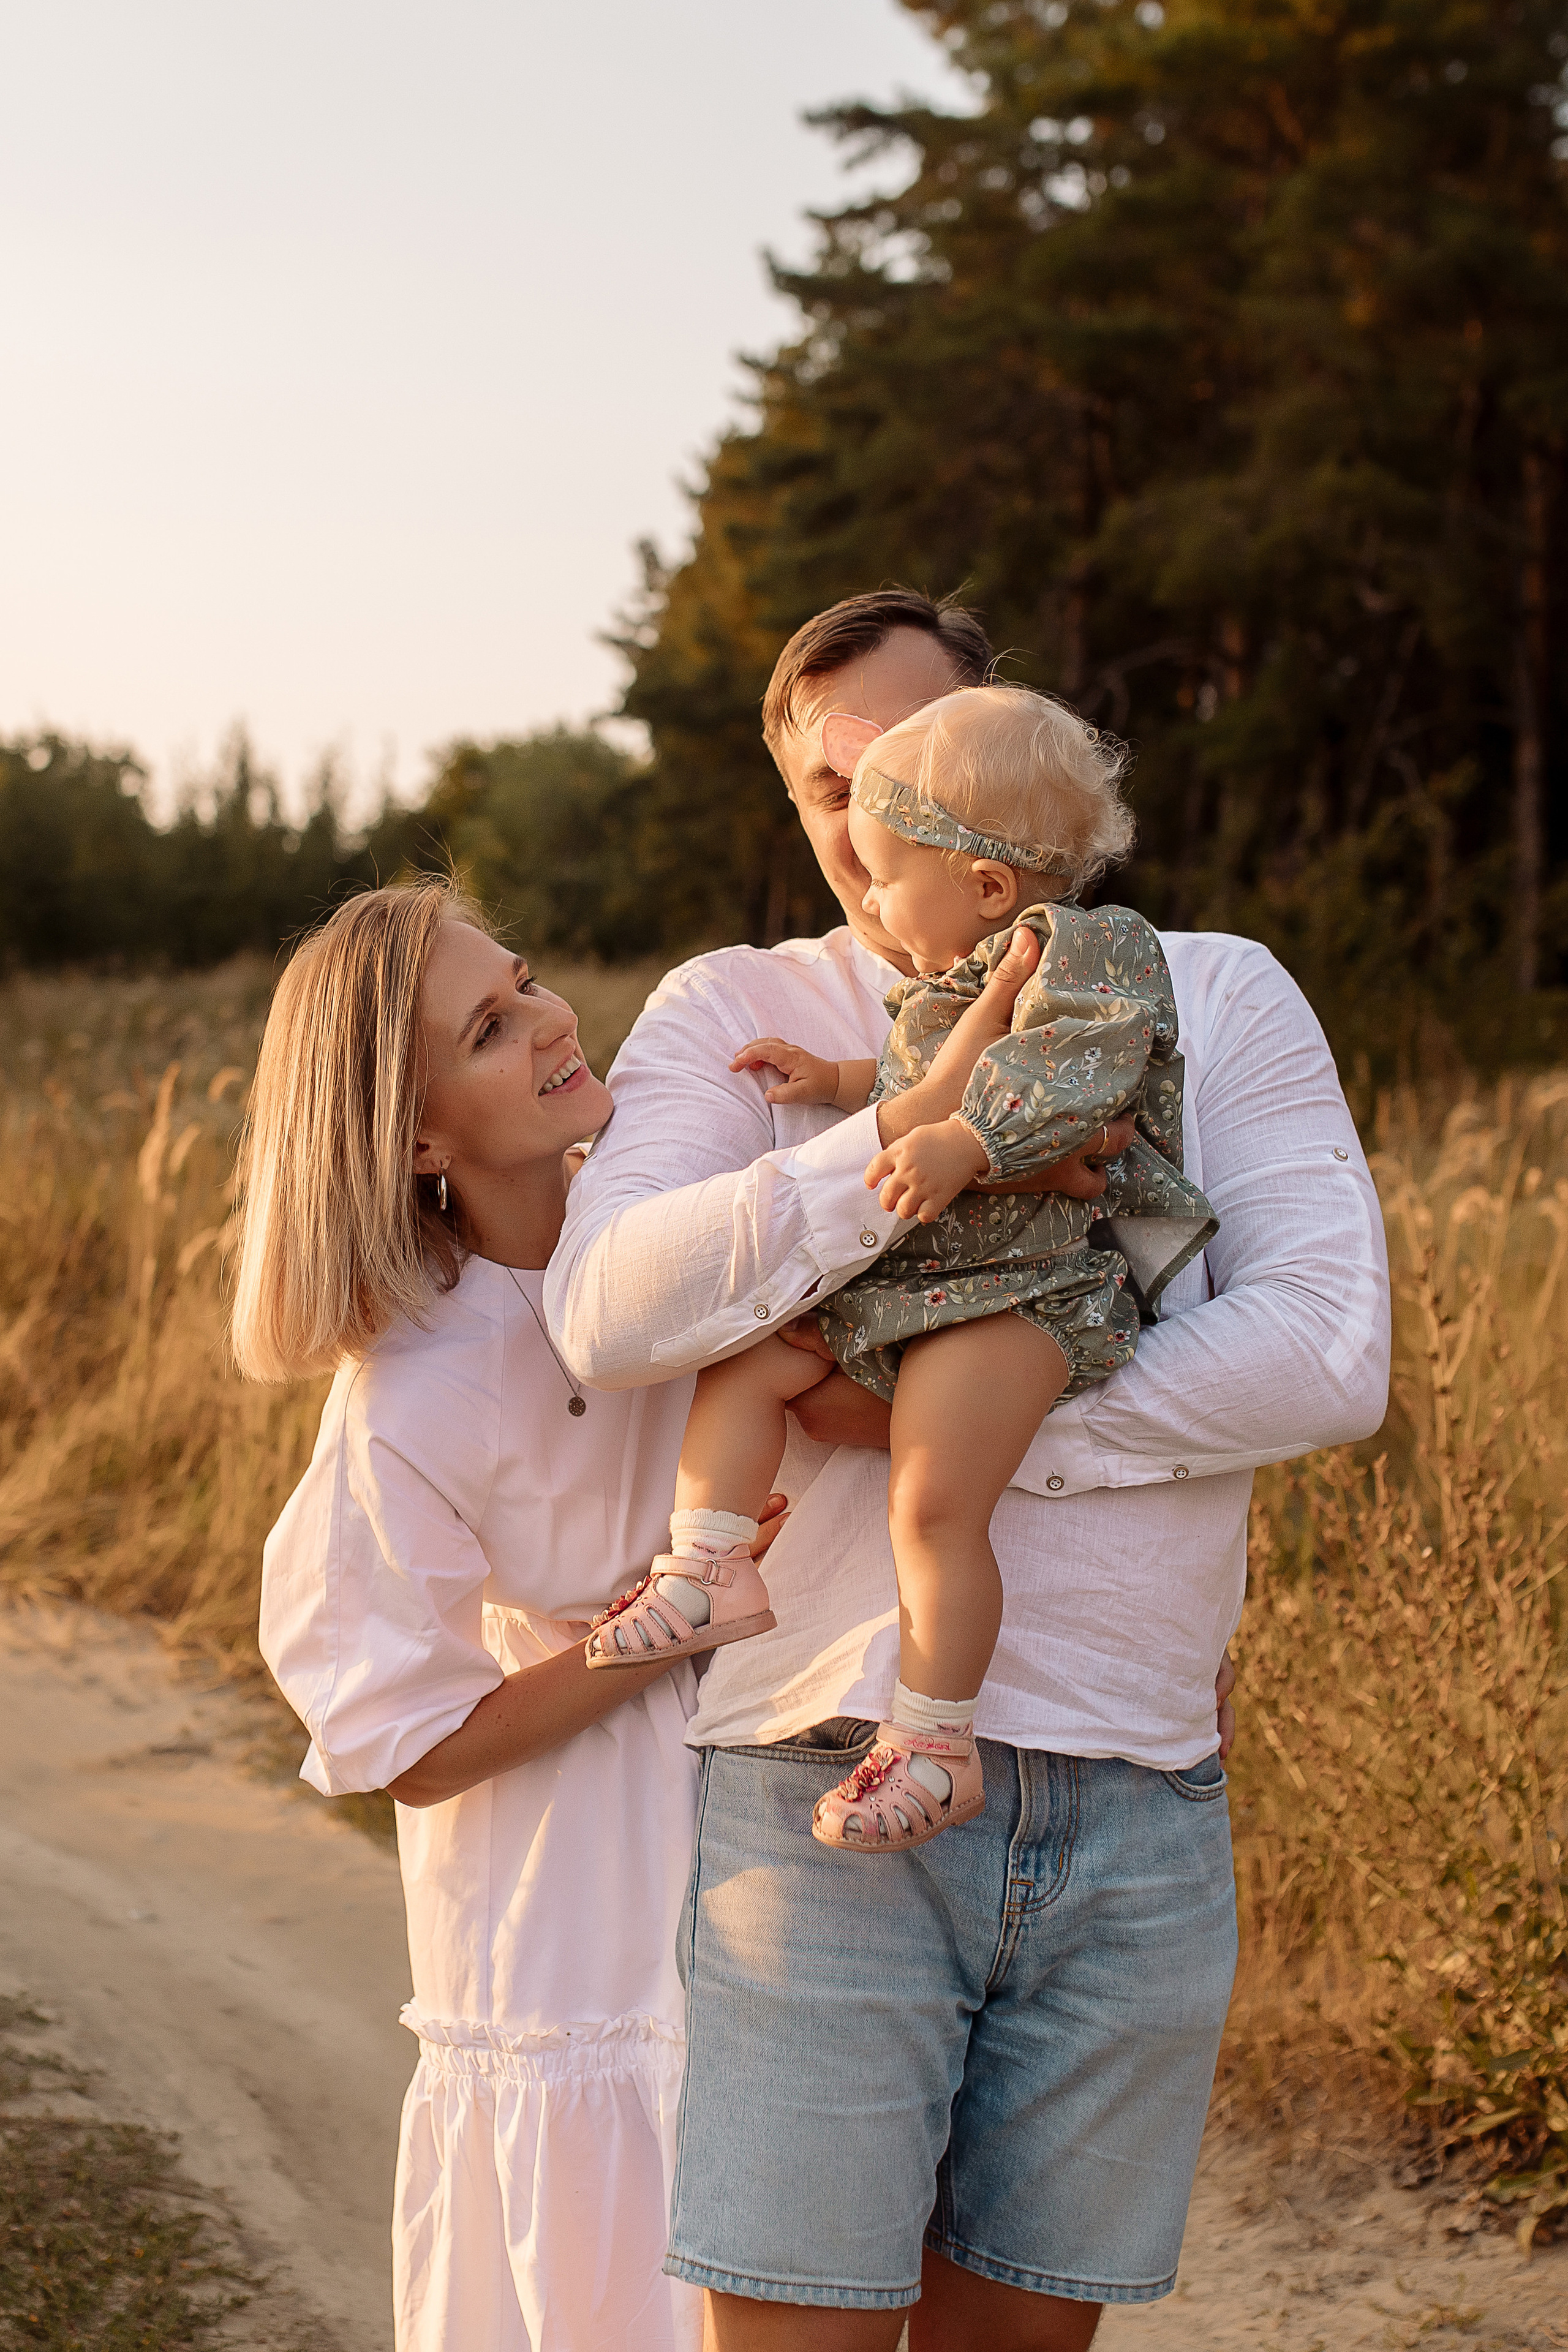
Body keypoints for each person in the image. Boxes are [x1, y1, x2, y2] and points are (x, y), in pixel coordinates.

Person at [546, 589, 1390, 2348]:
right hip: (820, 1785)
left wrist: (934, 1428)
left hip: (1136, 1803)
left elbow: (1324, 1349)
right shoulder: (736, 1007)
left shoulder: (1195, 982)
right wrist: (885, 1142)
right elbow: (609, 1309)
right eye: (826, 789)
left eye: (909, 763)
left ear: (1006, 753)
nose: (869, 821)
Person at [234, 878, 762, 2352]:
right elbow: (401, 1735)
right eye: (486, 1026)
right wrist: (660, 1622)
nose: (546, 1022)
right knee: (613, 2274)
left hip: (757, 1799)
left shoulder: (661, 1231)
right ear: (414, 1138)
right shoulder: (414, 1387)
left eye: (524, 982)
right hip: (562, 1878)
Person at [586, 684, 1215, 1863]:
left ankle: (935, 1740)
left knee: (931, 1502)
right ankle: (707, 1563)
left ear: (985, 885)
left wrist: (973, 1143)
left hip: (1023, 1292)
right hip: (926, 1284)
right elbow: (907, 1080)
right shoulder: (951, 979)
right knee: (753, 1358)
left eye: (886, 874)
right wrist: (829, 1078)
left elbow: (1085, 1075)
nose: (866, 899)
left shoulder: (1097, 949)